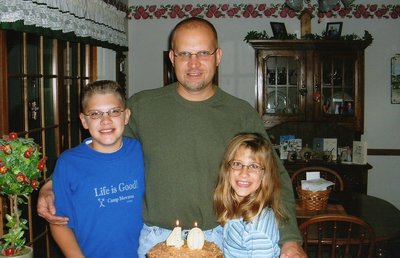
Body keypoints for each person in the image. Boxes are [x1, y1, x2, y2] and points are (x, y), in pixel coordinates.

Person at [38, 18, 306, 258]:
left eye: (203, 53)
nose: (193, 63)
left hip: (220, 239)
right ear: (171, 57)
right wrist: (52, 185)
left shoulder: (241, 113)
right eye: (184, 54)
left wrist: (290, 240)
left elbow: (274, 176)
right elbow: (101, 148)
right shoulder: (143, 106)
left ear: (218, 56)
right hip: (156, 240)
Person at [49, 80, 145, 258]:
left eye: (114, 111)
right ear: (84, 121)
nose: (105, 120)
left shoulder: (141, 151)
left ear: (126, 116)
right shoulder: (68, 163)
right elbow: (59, 222)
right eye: (95, 114)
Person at [214, 133, 287, 257]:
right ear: (227, 169)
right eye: (237, 164)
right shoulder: (236, 208)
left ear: (264, 174)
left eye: (254, 166)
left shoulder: (257, 232)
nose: (244, 173)